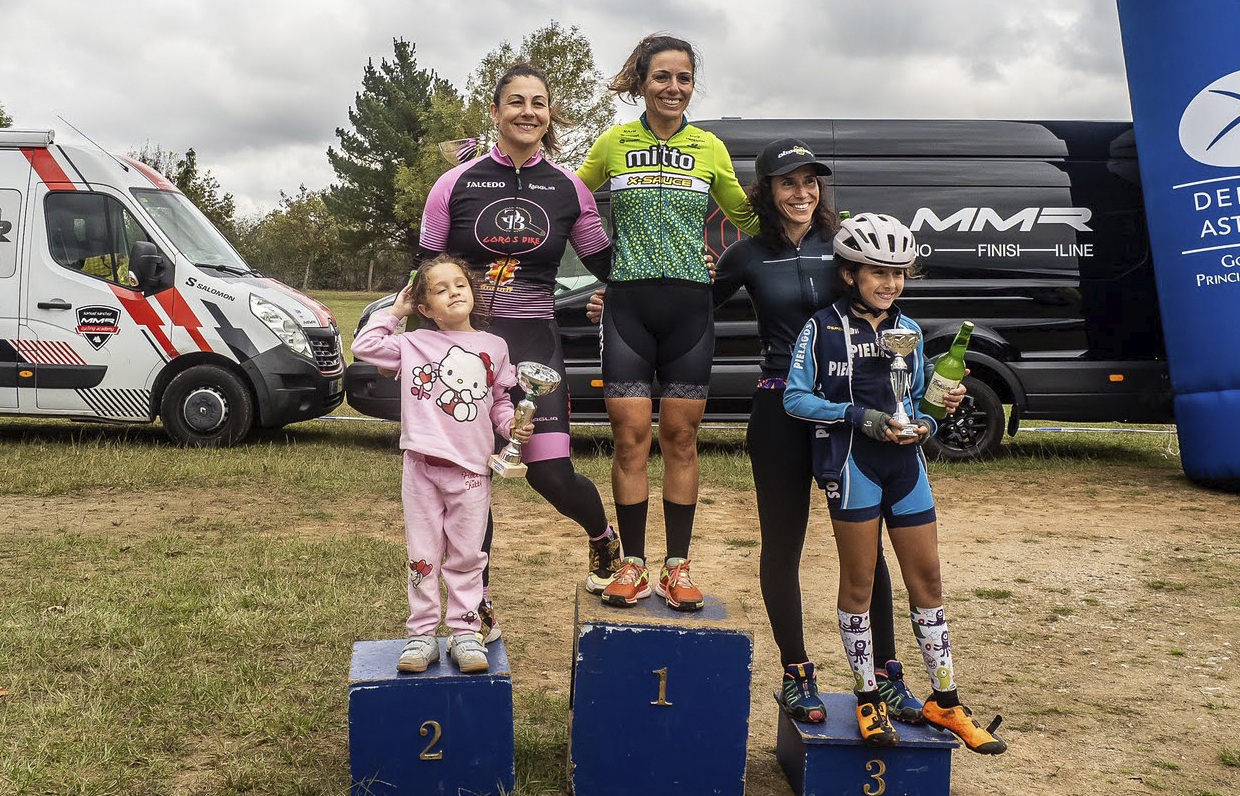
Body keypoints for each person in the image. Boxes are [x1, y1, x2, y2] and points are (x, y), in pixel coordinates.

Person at [588, 139, 959, 723]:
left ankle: (886, 676)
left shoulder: (842, 250)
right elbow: (685, 310)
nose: (802, 193)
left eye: (811, 182)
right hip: (779, 412)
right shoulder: (744, 255)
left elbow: (887, 314)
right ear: (765, 192)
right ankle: (796, 674)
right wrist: (618, 303)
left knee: (869, 553)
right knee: (782, 547)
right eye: (788, 183)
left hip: (851, 415)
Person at [783, 213, 1006, 753]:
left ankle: (945, 702)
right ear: (850, 274)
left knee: (927, 582)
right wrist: (859, 417)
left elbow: (922, 403)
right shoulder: (822, 326)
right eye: (878, 272)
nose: (890, 283)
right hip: (853, 463)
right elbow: (793, 397)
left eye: (899, 272)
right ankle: (867, 699)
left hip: (908, 469)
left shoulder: (907, 329)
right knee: (859, 586)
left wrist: (933, 415)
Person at [418, 64, 622, 633]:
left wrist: (668, 274)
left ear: (549, 113)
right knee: (469, 479)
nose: (528, 111)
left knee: (549, 473)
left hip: (536, 349)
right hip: (464, 352)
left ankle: (604, 539)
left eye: (539, 102)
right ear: (495, 112)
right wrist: (407, 332)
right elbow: (426, 266)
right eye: (516, 102)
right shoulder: (453, 184)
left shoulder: (567, 187)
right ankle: (474, 603)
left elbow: (608, 262)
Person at [576, 34, 760, 611]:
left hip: (690, 311)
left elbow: (750, 219)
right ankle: (631, 564)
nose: (673, 88)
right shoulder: (613, 142)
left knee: (681, 440)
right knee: (630, 440)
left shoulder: (709, 147)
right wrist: (603, 267)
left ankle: (677, 566)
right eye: (662, 77)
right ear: (641, 80)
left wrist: (727, 262)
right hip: (627, 308)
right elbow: (570, 204)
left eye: (683, 78)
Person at [351, 254, 532, 674]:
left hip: (471, 471)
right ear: (425, 307)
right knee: (423, 555)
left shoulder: (495, 347)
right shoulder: (413, 344)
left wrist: (512, 427)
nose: (453, 292)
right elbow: (364, 346)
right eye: (439, 289)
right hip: (420, 469)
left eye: (460, 285)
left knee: (468, 557)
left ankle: (466, 632)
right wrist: (396, 312)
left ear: (473, 292)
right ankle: (421, 636)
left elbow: (500, 403)